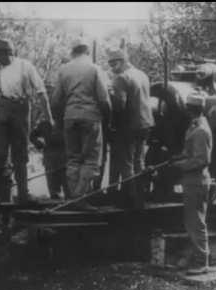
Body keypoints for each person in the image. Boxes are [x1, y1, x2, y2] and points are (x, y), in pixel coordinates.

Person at [0, 37, 54, 205]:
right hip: (2, 110)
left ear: (10, 52)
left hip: (21, 109)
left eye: (1, 53)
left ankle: (23, 194)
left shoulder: (25, 66)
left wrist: (49, 117)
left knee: (20, 153)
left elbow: (41, 92)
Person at [51, 37, 111, 211]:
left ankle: (72, 197)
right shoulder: (94, 69)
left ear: (73, 52)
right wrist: (108, 119)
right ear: (87, 51)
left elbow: (55, 101)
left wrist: (60, 121)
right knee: (91, 159)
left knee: (73, 159)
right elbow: (104, 99)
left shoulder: (63, 70)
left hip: (69, 118)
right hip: (91, 117)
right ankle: (79, 198)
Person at [171, 91, 213, 275]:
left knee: (196, 222)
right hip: (191, 180)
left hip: (197, 181)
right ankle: (193, 256)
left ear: (191, 109)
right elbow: (190, 153)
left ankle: (201, 261)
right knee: (190, 221)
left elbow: (202, 160)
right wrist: (176, 158)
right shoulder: (195, 126)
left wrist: (179, 165)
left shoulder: (201, 130)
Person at [107, 47, 155, 209]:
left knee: (126, 162)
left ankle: (130, 198)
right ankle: (140, 197)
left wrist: (109, 98)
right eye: (110, 64)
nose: (112, 67)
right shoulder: (142, 74)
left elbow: (119, 105)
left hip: (128, 125)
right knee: (139, 160)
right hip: (145, 123)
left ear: (122, 61)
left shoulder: (121, 78)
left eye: (114, 63)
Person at [30, 119, 69, 199]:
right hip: (50, 159)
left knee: (68, 188)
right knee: (53, 189)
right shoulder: (45, 124)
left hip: (64, 159)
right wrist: (38, 143)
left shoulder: (67, 120)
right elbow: (32, 135)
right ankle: (55, 196)